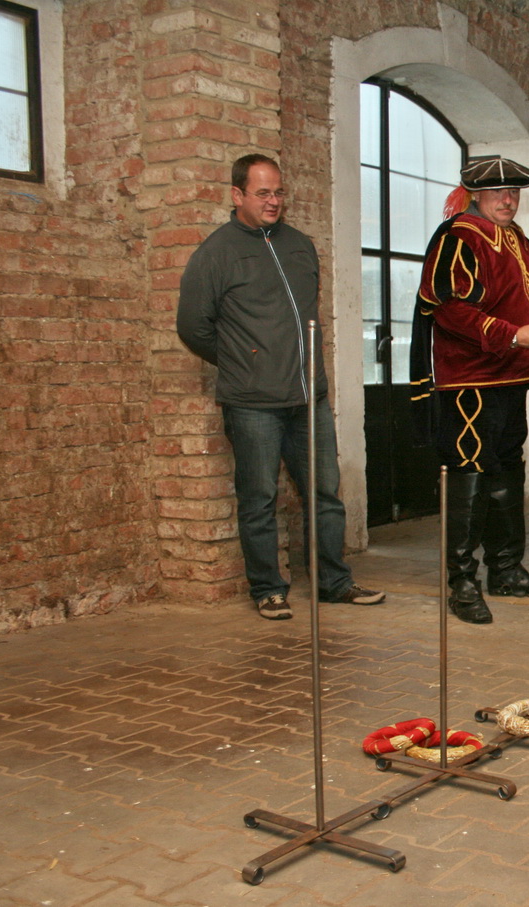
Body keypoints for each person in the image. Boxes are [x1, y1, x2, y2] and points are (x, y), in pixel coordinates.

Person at [177, 154, 385, 620]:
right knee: (260, 500)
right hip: (253, 403)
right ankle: (268, 589)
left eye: (279, 192)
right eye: (263, 193)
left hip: (309, 398)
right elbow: (193, 326)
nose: (273, 201)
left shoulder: (300, 245)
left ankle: (333, 582)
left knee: (325, 495)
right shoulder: (216, 253)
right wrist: (244, 360)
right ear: (237, 195)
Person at [413, 156, 529, 623]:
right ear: (475, 194)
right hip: (470, 380)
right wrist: (512, 336)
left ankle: (505, 569)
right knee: (469, 472)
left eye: (514, 192)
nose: (508, 199)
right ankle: (461, 582)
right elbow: (449, 310)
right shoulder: (459, 237)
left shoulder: (519, 242)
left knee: (507, 472)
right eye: (498, 191)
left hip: (512, 378)